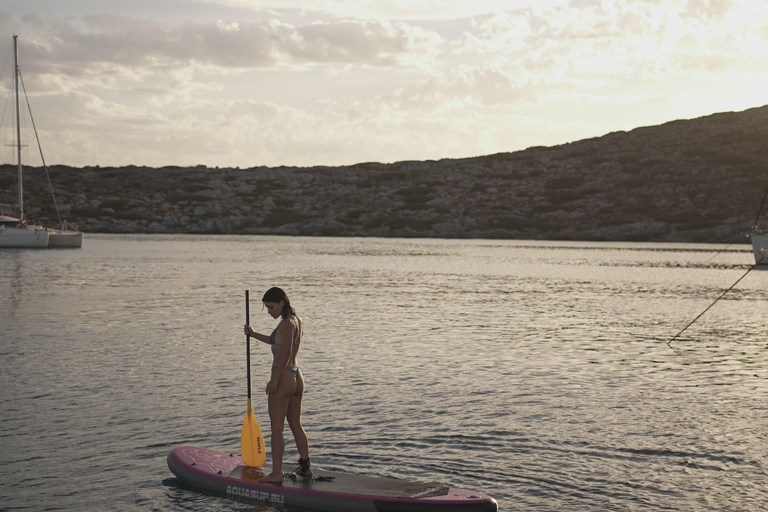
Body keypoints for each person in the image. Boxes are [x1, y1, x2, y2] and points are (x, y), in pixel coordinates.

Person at [244, 287, 312, 483]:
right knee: (295, 424)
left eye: (271, 307)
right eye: (266, 308)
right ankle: (306, 468)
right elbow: (278, 342)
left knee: (276, 429)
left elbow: (286, 352)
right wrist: (253, 334)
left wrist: (274, 379)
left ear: (282, 302)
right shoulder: (295, 319)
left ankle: (275, 474)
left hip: (283, 378)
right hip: (297, 377)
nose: (269, 311)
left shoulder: (287, 323)